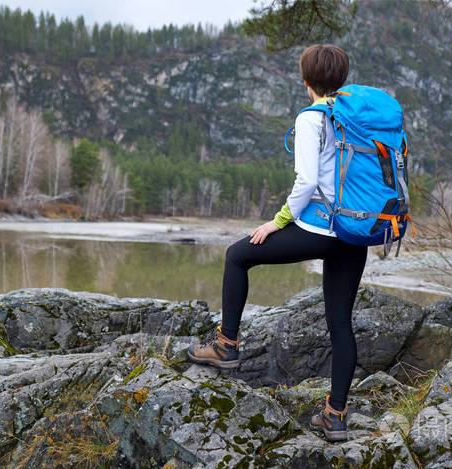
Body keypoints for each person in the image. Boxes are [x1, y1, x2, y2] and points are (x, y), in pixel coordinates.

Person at [188, 44, 368, 442]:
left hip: (321, 229)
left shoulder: (312, 118)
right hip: (356, 234)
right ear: (341, 79)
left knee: (237, 255)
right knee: (340, 321)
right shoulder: (357, 118)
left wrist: (278, 221)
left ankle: (226, 345)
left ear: (306, 82)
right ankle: (335, 417)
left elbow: (306, 181)